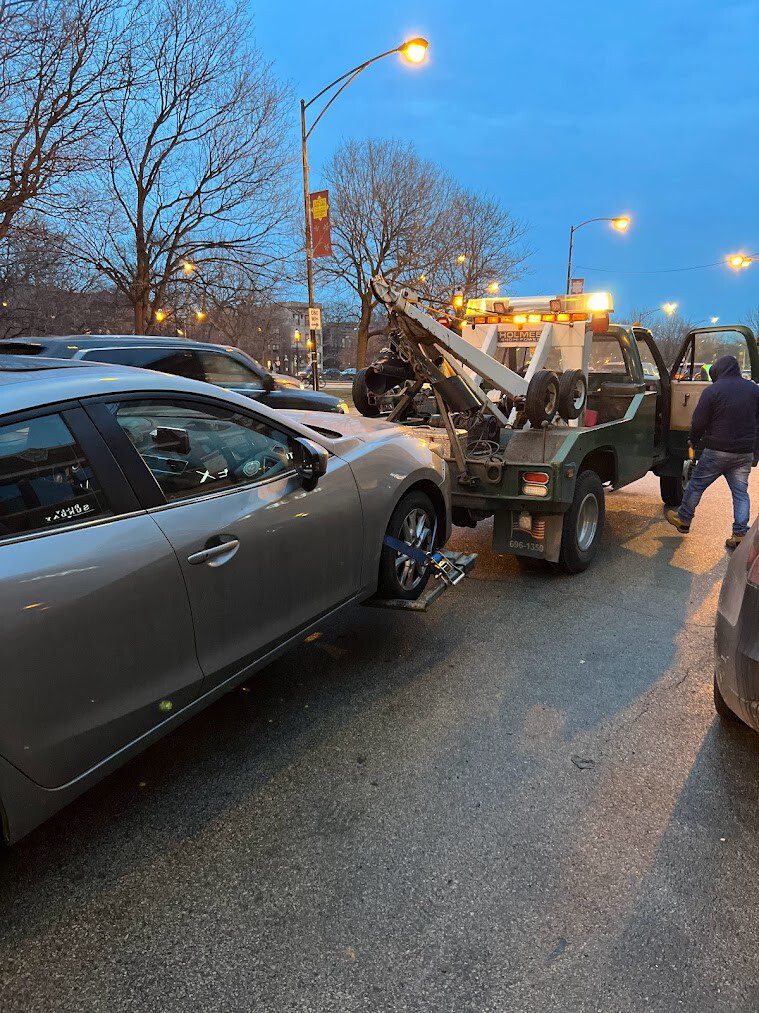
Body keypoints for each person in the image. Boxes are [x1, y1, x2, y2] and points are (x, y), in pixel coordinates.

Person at [665, 354, 759, 549]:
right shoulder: (753, 390)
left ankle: (684, 519)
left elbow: (700, 420)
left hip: (717, 450)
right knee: (740, 493)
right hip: (743, 453)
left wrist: (693, 439)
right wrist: (755, 452)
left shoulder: (713, 391)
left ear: (718, 371)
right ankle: (740, 533)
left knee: (696, 485)